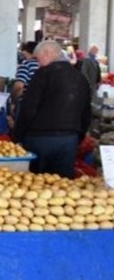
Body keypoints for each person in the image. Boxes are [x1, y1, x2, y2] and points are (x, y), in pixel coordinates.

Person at [14, 41, 91, 178]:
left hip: (39, 139)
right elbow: (86, 113)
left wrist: (17, 136)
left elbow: (28, 108)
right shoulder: (81, 78)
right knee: (62, 184)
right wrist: (78, 137)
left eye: (38, 59)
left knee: (36, 183)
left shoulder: (42, 74)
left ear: (47, 53)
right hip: (69, 140)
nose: (38, 64)